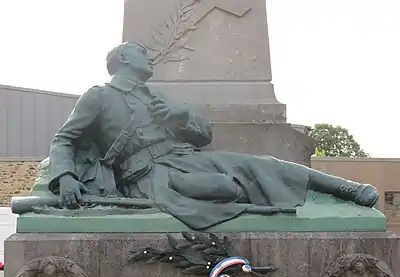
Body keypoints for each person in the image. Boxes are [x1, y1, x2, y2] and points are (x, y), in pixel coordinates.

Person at [48, 42, 379, 230]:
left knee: (263, 164)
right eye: (142, 52)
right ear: (123, 59)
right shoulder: (99, 97)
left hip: (188, 159)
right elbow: (64, 139)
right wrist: (64, 177)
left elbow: (202, 137)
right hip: (152, 177)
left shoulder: (154, 98)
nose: (150, 56)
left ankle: (343, 188)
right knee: (228, 188)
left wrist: (182, 115)